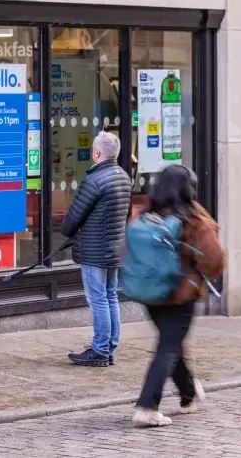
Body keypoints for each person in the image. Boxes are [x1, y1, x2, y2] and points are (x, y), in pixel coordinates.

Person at [132, 165, 224, 427]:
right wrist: (196, 276)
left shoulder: (145, 213)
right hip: (179, 293)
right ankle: (147, 406)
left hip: (149, 292)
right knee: (169, 346)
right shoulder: (194, 219)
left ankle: (189, 394)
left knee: (171, 343)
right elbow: (214, 259)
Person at [62, 131, 132, 367]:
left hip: (95, 249)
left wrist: (67, 231)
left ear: (97, 152)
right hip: (114, 247)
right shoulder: (123, 176)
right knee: (111, 296)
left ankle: (100, 350)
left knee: (98, 299)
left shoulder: (95, 180)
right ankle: (109, 347)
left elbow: (73, 217)